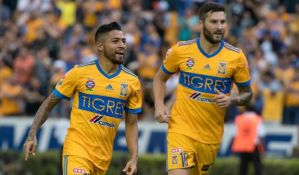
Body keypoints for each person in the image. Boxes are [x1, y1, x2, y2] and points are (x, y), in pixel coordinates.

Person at [24, 22, 142, 175]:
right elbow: (49, 103)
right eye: (115, 41)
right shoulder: (79, 73)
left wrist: (134, 157)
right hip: (76, 150)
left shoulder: (132, 81)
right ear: (100, 46)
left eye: (123, 41)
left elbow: (131, 124)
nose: (122, 45)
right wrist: (32, 135)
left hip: (102, 159)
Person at [153, 2, 253, 175]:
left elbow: (248, 93)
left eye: (223, 22)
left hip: (210, 136)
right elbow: (159, 78)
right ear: (201, 23)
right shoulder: (181, 50)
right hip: (181, 128)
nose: (219, 27)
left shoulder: (236, 57)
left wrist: (232, 100)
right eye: (214, 22)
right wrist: (159, 106)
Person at [232, 106, 265, 175]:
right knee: (258, 168)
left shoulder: (239, 118)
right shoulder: (257, 119)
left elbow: (235, 135)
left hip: (243, 147)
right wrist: (263, 150)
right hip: (254, 146)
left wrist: (232, 151)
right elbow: (261, 135)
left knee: (243, 168)